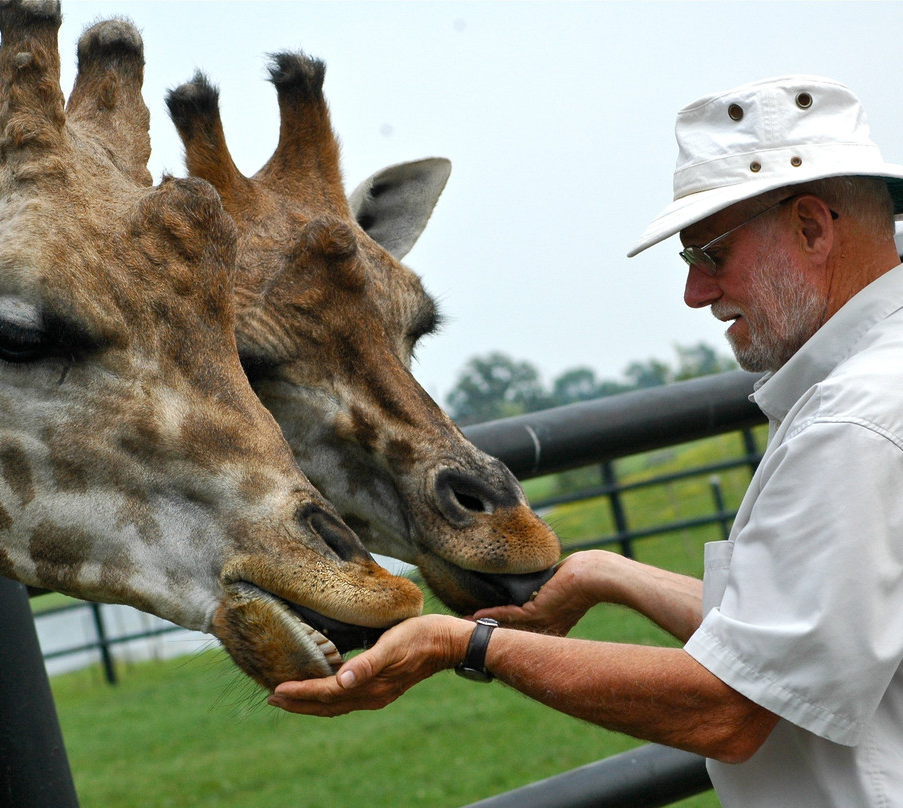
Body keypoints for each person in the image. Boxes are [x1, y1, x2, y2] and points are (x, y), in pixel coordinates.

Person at [268, 74, 903, 806]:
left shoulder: (853, 423)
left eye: (710, 256)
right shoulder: (874, 390)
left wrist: (464, 644)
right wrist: (607, 574)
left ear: (813, 228)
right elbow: (806, 638)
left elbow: (731, 708)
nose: (696, 294)